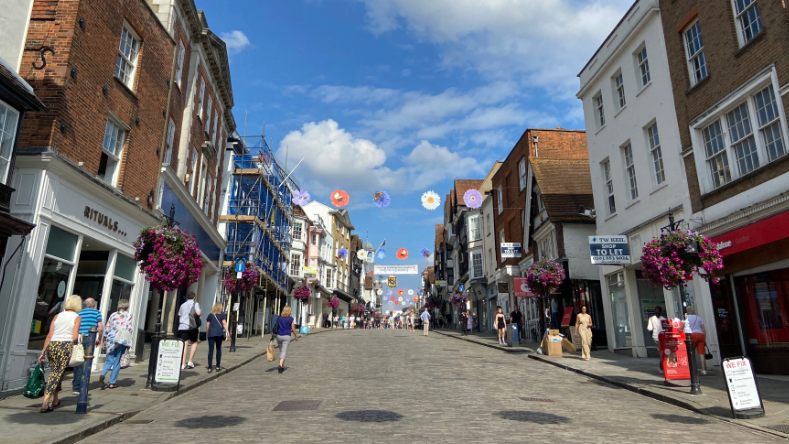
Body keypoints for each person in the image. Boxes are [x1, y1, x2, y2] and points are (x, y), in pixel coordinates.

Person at [38, 295, 82, 412]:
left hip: (52, 345)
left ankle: (56, 399)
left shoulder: (57, 316)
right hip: (65, 346)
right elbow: (74, 336)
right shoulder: (76, 317)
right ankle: (45, 403)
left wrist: (43, 351)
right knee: (56, 374)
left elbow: (49, 335)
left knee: (58, 372)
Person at [100, 299, 133, 389]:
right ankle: (112, 383)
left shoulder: (113, 315)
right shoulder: (128, 316)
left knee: (109, 360)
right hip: (121, 340)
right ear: (126, 306)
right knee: (117, 362)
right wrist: (129, 343)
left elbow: (107, 327)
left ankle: (103, 374)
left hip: (111, 340)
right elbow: (129, 329)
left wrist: (104, 340)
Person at [73, 298, 103, 395]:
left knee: (78, 362)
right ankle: (83, 385)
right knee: (87, 362)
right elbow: (101, 327)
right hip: (90, 339)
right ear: (93, 304)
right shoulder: (97, 313)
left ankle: (76, 387)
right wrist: (99, 338)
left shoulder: (79, 313)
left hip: (79, 338)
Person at [178, 292, 201, 369]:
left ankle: (183, 363)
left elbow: (180, 315)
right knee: (194, 342)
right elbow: (198, 313)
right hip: (192, 326)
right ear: (194, 297)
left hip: (182, 326)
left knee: (184, 344)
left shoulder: (182, 305)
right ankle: (190, 361)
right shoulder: (195, 304)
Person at [205, 303, 229, 373]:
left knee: (210, 350)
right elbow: (224, 323)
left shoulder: (210, 315)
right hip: (219, 333)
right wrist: (227, 332)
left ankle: (209, 367)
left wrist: (207, 333)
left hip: (211, 334)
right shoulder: (222, 314)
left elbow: (207, 325)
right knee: (218, 349)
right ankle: (218, 366)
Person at [275, 306, 298, 373]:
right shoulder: (290, 319)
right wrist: (295, 336)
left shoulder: (279, 318)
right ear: (289, 311)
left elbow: (275, 327)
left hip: (279, 336)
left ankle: (282, 366)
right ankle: (280, 365)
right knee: (283, 351)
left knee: (281, 351)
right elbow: (293, 329)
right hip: (286, 336)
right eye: (290, 310)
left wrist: (271, 336)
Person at [686, 306, 708, 375]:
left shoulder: (686, 318)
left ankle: (693, 369)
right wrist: (704, 338)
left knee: (691, 353)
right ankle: (703, 370)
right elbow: (704, 329)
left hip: (692, 335)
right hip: (700, 335)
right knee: (701, 353)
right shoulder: (699, 318)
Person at [647, 306, 667, 372]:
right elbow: (666, 329)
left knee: (661, 352)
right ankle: (663, 366)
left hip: (656, 337)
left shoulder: (651, 319)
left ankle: (662, 367)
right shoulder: (664, 319)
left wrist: (652, 334)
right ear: (661, 312)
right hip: (663, 337)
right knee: (664, 352)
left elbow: (650, 328)